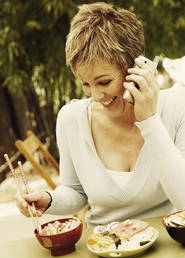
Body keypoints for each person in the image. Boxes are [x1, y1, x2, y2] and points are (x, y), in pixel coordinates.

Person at [16, 2, 185, 226]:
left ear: (136, 67)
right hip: (102, 247)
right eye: (86, 84)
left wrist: (149, 121)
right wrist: (48, 200)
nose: (95, 95)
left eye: (104, 82)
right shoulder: (71, 119)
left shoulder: (176, 106)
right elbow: (76, 192)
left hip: (166, 244)